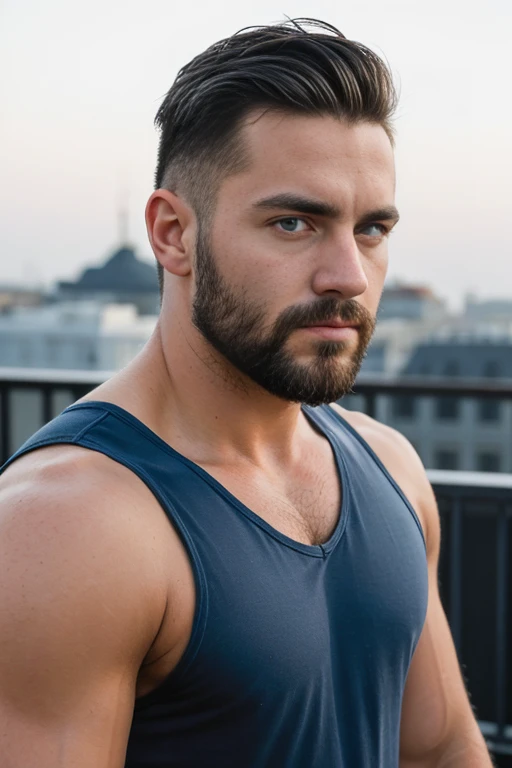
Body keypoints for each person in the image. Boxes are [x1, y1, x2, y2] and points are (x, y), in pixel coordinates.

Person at [0, 19, 492, 768]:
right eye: (294, 223)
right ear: (173, 235)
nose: (348, 276)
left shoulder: (391, 467)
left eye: (371, 229)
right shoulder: (65, 527)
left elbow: (441, 748)